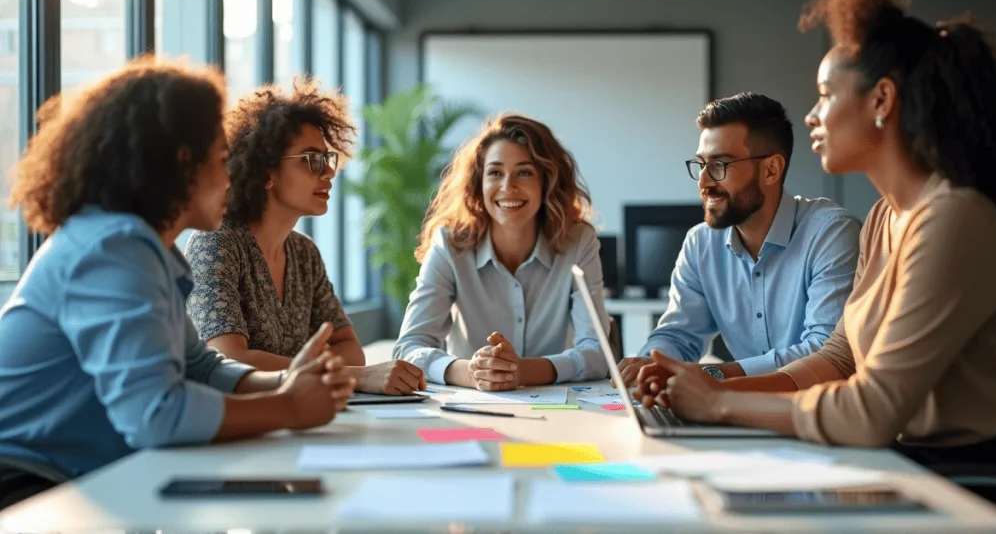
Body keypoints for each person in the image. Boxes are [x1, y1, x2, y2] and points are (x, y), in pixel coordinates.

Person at [638, 0, 996, 474]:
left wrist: (719, 405)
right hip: (905, 460)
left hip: (973, 475)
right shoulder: (886, 217)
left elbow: (870, 411)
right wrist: (714, 389)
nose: (813, 116)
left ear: (882, 100)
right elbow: (839, 360)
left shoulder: (955, 217)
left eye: (825, 95)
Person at [0, 61, 355, 507]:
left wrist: (288, 382)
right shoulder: (113, 249)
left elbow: (200, 368)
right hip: (24, 486)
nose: (232, 176)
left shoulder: (150, 250)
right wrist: (288, 407)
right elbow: (156, 415)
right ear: (182, 165)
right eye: (222, 160)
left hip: (78, 477)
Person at [186, 79, 425, 395]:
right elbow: (230, 359)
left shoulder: (303, 252)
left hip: (298, 415)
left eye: (327, 159)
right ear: (265, 171)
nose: (328, 173)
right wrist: (354, 376)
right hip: (238, 426)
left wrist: (313, 369)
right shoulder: (216, 243)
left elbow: (351, 350)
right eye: (311, 160)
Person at [617, 93, 860, 385]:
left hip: (814, 413)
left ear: (771, 170)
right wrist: (650, 366)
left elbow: (823, 352)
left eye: (720, 165)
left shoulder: (831, 233)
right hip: (740, 410)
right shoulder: (701, 244)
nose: (704, 182)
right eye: (701, 164)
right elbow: (678, 336)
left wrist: (712, 375)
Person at [393, 114, 610, 390]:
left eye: (524, 172)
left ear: (547, 182)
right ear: (478, 183)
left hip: (556, 408)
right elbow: (409, 346)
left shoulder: (579, 241)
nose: (508, 187)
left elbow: (597, 351)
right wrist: (471, 373)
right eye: (495, 173)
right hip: (468, 405)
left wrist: (522, 371)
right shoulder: (449, 244)